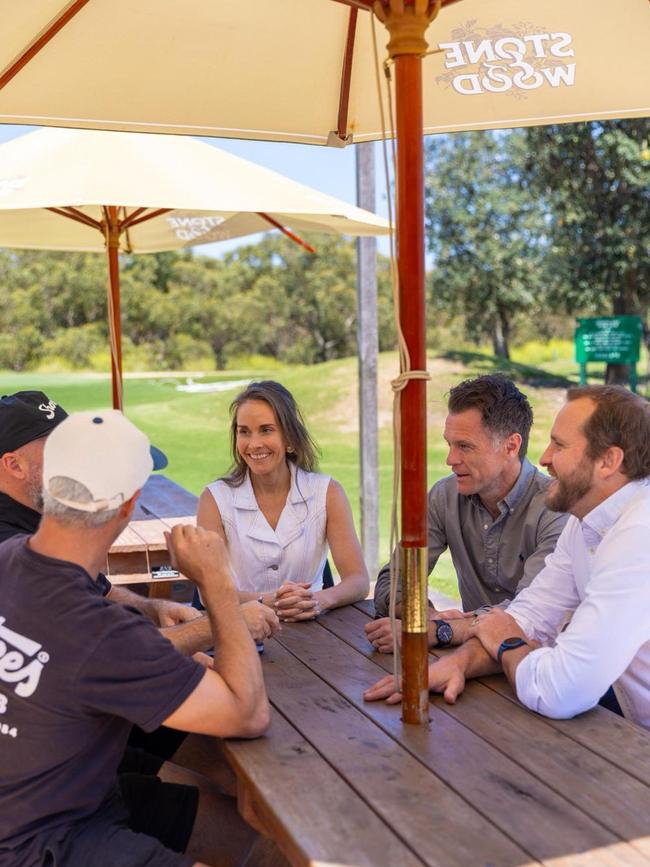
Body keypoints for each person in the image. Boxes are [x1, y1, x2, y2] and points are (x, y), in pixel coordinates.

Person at [0, 409, 270, 866]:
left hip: (68, 797)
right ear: (130, 503)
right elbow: (247, 714)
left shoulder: (9, 556)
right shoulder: (98, 632)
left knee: (247, 834)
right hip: (40, 844)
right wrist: (217, 582)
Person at [365, 385, 650, 729]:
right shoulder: (585, 520)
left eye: (559, 445)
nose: (545, 457)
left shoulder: (638, 536)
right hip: (619, 712)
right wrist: (461, 663)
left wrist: (505, 642)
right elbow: (530, 613)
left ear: (608, 461)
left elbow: (558, 691)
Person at [0, 390, 280, 650]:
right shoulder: (11, 549)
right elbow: (103, 649)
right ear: (14, 465)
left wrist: (154, 608)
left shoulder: (39, 511)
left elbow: (100, 591)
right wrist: (224, 623)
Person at [366, 375, 567, 653]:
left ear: (511, 446)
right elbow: (393, 582)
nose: (450, 459)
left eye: (465, 446)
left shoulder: (556, 509)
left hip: (542, 665)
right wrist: (429, 618)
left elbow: (530, 611)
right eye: (449, 444)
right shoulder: (444, 496)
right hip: (472, 656)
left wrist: (439, 631)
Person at [198, 380, 369, 622]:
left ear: (289, 438)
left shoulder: (328, 492)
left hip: (315, 634)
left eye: (266, 430)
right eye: (244, 431)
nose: (254, 443)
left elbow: (358, 580)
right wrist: (269, 601)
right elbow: (209, 593)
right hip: (242, 632)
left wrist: (319, 600)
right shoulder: (214, 499)